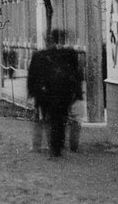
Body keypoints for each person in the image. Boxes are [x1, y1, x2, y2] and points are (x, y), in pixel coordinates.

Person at [27, 28, 83, 157]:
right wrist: (76, 92)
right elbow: (76, 74)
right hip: (63, 94)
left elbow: (32, 76)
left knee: (50, 119)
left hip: (45, 94)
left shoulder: (39, 55)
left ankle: (54, 146)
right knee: (59, 119)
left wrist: (32, 94)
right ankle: (58, 145)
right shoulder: (69, 54)